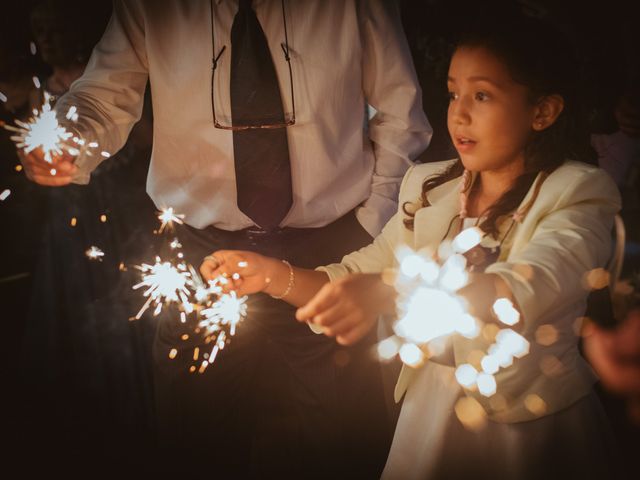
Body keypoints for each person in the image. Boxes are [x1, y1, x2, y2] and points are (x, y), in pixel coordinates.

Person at [200, 6, 623, 479]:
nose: (459, 113)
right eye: (452, 93)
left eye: (482, 95)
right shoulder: (429, 189)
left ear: (542, 111)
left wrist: (389, 290)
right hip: (430, 411)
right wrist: (271, 274)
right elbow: (354, 276)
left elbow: (525, 285)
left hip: (530, 424)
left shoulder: (579, 191)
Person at [17, 0, 432, 476]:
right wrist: (69, 138)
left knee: (346, 436)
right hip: (200, 251)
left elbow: (399, 111)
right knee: (195, 435)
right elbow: (102, 94)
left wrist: (373, 221)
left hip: (331, 251)